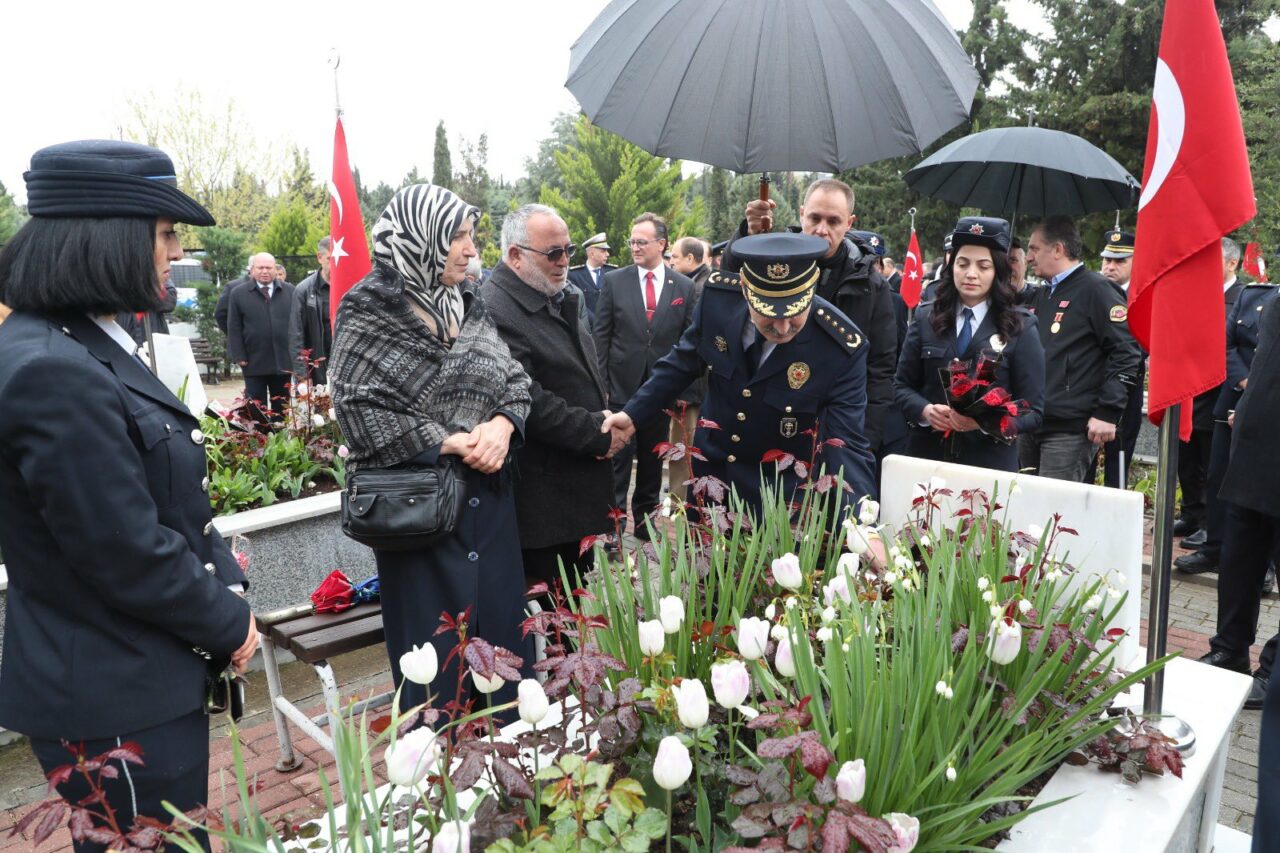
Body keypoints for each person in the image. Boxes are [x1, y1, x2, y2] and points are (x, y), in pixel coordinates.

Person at [0, 139, 256, 851]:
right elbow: (123, 550)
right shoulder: (52, 366)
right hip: (115, 693)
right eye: (164, 233)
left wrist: (223, 575)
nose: (175, 251)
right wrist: (228, 623)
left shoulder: (78, 340)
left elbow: (159, 497)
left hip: (128, 675)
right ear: (109, 237)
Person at [331, 184, 533, 712]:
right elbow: (356, 408)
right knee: (436, 677)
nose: (470, 249)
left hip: (489, 506)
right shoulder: (368, 307)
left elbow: (513, 378)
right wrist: (447, 441)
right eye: (456, 237)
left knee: (505, 662)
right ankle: (441, 759)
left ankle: (515, 755)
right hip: (419, 513)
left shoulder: (468, 301)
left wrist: (502, 426)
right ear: (420, 239)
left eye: (470, 236)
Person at [601, 233, 877, 518]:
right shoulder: (718, 301)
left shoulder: (840, 349)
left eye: (795, 312)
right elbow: (681, 363)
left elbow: (847, 444)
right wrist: (633, 415)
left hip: (777, 504)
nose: (783, 327)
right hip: (710, 486)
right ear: (745, 289)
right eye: (769, 313)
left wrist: (861, 524)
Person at [480, 204, 618, 586]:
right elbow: (527, 398)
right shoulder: (496, 308)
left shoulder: (554, 292)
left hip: (570, 488)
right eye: (553, 253)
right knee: (553, 607)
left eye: (568, 250)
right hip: (543, 503)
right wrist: (596, 432)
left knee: (575, 599)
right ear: (515, 256)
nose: (564, 261)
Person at [732, 178, 898, 458]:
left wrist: (864, 443)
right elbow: (729, 295)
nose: (822, 230)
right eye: (814, 218)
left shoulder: (870, 285)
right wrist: (747, 236)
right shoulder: (773, 261)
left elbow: (880, 370)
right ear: (801, 215)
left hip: (832, 425)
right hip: (767, 415)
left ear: (849, 223)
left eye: (833, 221)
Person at [894, 217, 1044, 471]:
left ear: (997, 270)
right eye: (963, 264)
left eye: (983, 266)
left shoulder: (1020, 326)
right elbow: (901, 386)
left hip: (988, 464)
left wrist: (983, 423)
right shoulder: (926, 317)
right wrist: (926, 411)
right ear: (951, 266)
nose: (971, 274)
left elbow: (1033, 411)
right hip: (927, 460)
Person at [1198, 286, 1280, 715]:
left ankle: (1273, 670)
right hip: (1254, 445)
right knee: (1239, 562)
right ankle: (1229, 650)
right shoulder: (1272, 299)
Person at [594, 212, 698, 538]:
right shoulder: (615, 281)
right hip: (620, 387)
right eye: (632, 241)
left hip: (661, 390)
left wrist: (683, 391)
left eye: (642, 241)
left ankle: (644, 523)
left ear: (661, 244)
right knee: (618, 458)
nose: (635, 247)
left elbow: (689, 341)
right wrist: (601, 385)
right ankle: (613, 527)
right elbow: (601, 336)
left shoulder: (684, 286)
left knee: (653, 459)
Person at [1019, 215, 1142, 482]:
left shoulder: (1096, 290)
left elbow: (1126, 352)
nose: (1029, 257)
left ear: (1058, 249)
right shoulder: (1042, 294)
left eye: (1034, 249)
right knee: (1024, 501)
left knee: (1054, 504)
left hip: (1068, 429)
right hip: (1032, 421)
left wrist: (1107, 411)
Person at [1178, 279, 1280, 576]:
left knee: (1260, 490)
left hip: (1268, 412)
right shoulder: (1251, 295)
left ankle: (1264, 568)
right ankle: (1213, 548)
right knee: (1218, 478)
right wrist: (1245, 382)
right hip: (1233, 397)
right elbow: (1226, 343)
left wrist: (1258, 389)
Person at [1174, 237, 1245, 541]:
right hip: (1187, 386)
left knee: (1210, 459)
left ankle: (1208, 523)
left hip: (1219, 389)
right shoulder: (1194, 294)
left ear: (1232, 263)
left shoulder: (1242, 298)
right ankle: (1191, 513)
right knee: (1186, 456)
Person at [1094, 228, 1145, 488]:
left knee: (1119, 462)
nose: (1110, 266)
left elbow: (1141, 345)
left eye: (1119, 261)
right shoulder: (1092, 291)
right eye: (1107, 260)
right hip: (1088, 386)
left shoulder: (1142, 298)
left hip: (1125, 388)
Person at [227, 252, 295, 416]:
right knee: (255, 407)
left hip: (283, 360)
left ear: (275, 269)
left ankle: (281, 431)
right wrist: (239, 354)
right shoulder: (238, 293)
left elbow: (298, 323)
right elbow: (234, 326)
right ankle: (259, 432)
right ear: (252, 270)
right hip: (253, 360)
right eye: (260, 268)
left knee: (282, 406)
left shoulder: (290, 291)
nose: (265, 271)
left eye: (269, 268)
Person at [289, 236, 334, 385]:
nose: (336, 264)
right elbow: (296, 335)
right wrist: (303, 376)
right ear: (319, 257)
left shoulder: (353, 288)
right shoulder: (304, 290)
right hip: (318, 369)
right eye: (331, 259)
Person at [566, 231, 615, 318]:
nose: (607, 254)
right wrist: (596, 321)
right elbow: (576, 305)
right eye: (603, 251)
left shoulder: (612, 272)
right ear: (592, 254)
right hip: (587, 325)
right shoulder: (574, 275)